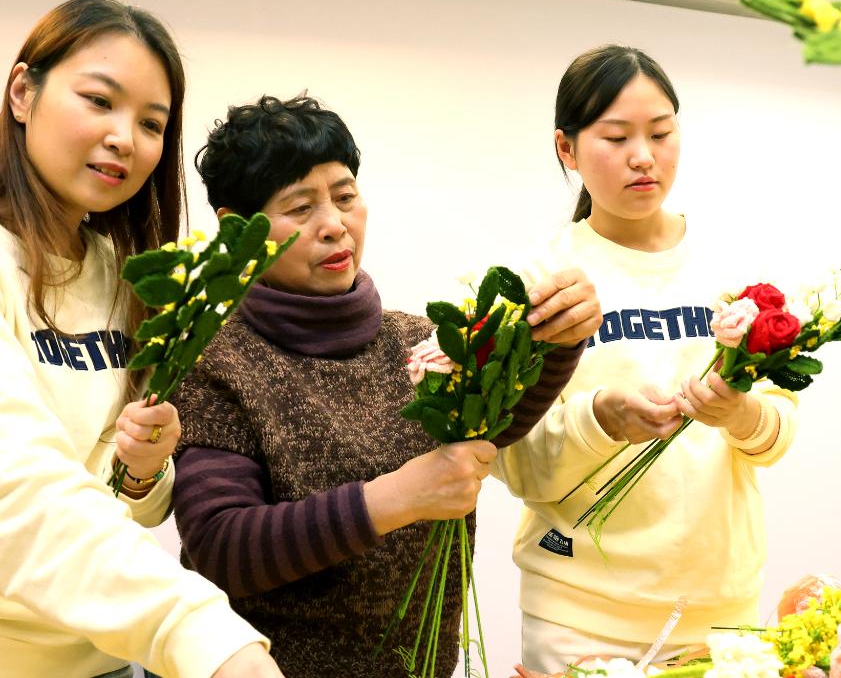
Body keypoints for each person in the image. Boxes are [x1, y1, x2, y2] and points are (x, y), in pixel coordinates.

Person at [167, 94, 602, 678]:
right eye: (300, 207)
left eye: (345, 197)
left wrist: (560, 338)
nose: (334, 225)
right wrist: (396, 498)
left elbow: (491, 428)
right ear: (236, 229)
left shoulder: (418, 338)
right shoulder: (214, 360)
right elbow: (221, 546)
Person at [0, 0, 284, 678]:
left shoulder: (125, 276)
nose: (125, 138)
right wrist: (205, 634)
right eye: (100, 101)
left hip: (105, 658)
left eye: (152, 123)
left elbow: (133, 506)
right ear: (22, 93)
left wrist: (144, 466)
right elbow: (22, 493)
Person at [493, 45, 800, 674]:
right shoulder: (540, 281)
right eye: (617, 137)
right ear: (566, 149)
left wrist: (740, 415)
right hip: (578, 618)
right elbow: (510, 457)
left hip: (723, 611)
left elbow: (778, 432)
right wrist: (600, 419)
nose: (643, 156)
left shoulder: (734, 268)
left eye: (661, 134)